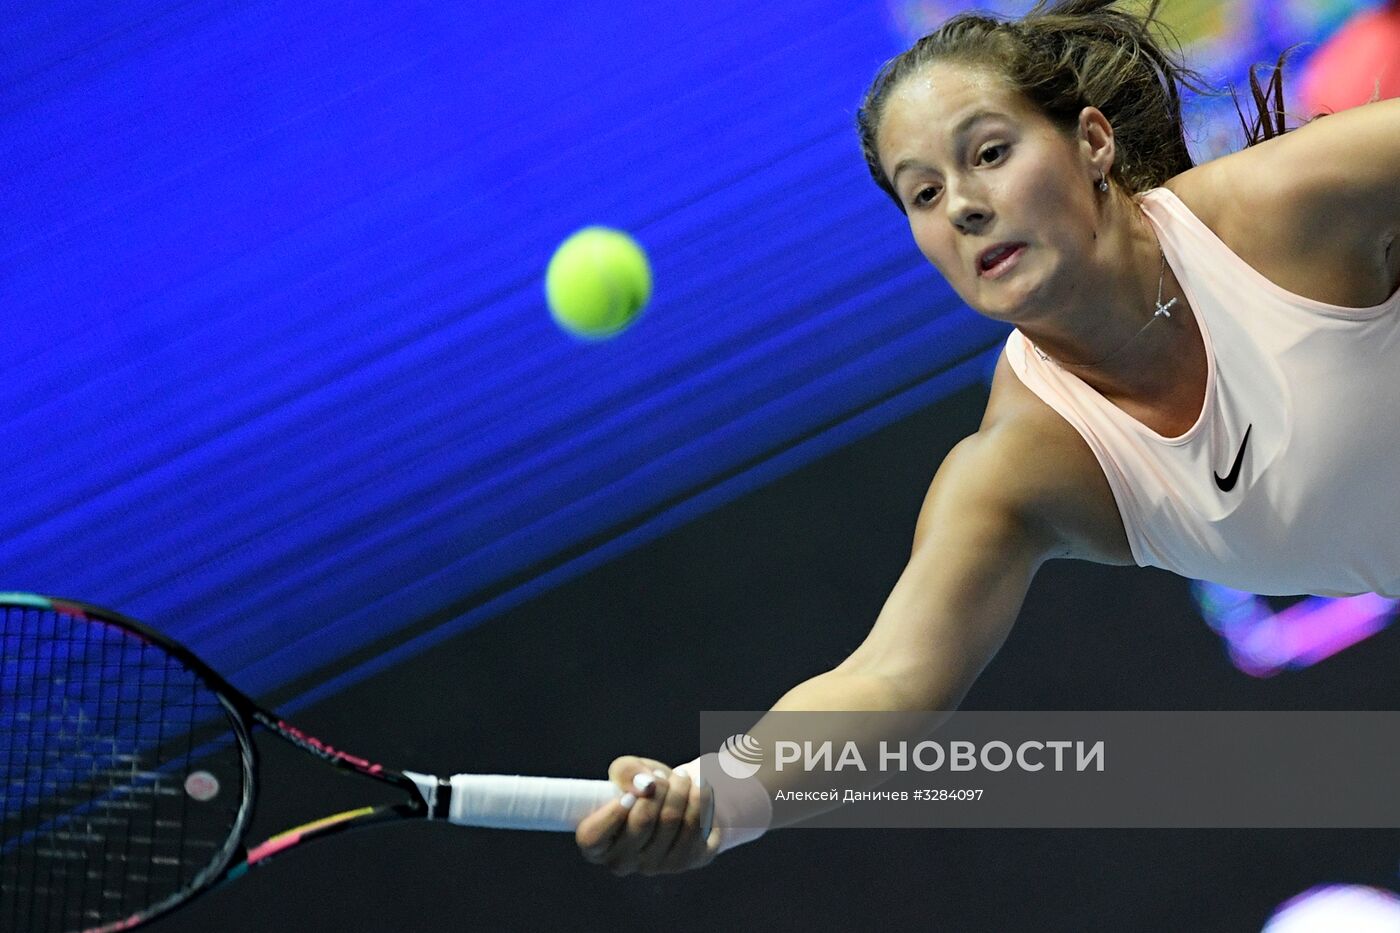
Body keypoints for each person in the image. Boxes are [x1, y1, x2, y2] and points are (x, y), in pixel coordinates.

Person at [575, 0, 1400, 876]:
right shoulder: (1026, 465)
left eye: (991, 154)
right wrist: (713, 796)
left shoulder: (1287, 207)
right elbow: (885, 682)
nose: (964, 205)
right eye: (923, 193)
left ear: (1091, 143)